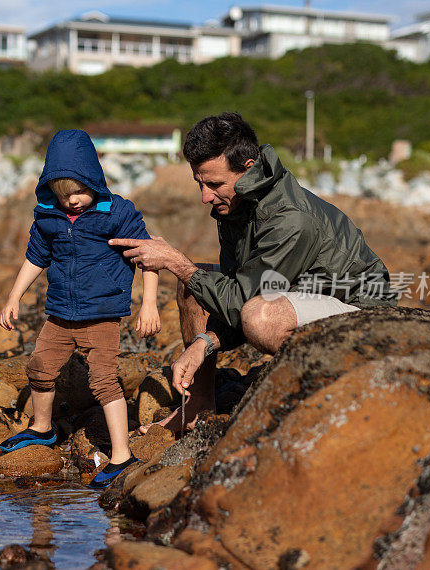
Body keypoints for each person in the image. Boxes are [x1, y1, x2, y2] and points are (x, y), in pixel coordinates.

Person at [109, 112, 396, 432]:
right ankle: (197, 407)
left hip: (363, 312)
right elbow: (235, 291)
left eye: (214, 184)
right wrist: (204, 341)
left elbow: (245, 304)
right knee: (195, 286)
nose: (205, 196)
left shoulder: (288, 218)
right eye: (200, 184)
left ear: (248, 169)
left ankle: (330, 398)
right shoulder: (234, 205)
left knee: (260, 317)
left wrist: (175, 262)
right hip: (301, 295)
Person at [0, 129, 161, 488]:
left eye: (79, 191)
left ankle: (122, 455)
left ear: (94, 179)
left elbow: (147, 257)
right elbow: (35, 258)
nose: (72, 201)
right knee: (40, 368)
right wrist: (13, 297)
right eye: (63, 194)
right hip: (59, 314)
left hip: (101, 315)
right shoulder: (47, 215)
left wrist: (149, 304)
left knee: (103, 380)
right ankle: (42, 428)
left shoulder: (116, 212)